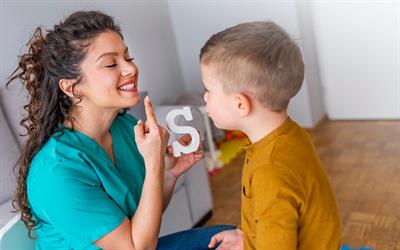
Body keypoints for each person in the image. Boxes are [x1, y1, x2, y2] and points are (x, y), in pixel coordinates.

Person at [7, 10, 233, 250]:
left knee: (231, 240)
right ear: (71, 87)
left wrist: (167, 175)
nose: (131, 69)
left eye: (128, 57)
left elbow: (143, 219)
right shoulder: (57, 171)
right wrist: (154, 165)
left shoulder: (124, 128)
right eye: (111, 63)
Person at [200, 21, 341, 250]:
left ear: (240, 104)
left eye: (208, 90)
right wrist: (247, 237)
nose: (205, 98)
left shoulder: (270, 171)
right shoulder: (289, 133)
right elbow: (278, 216)